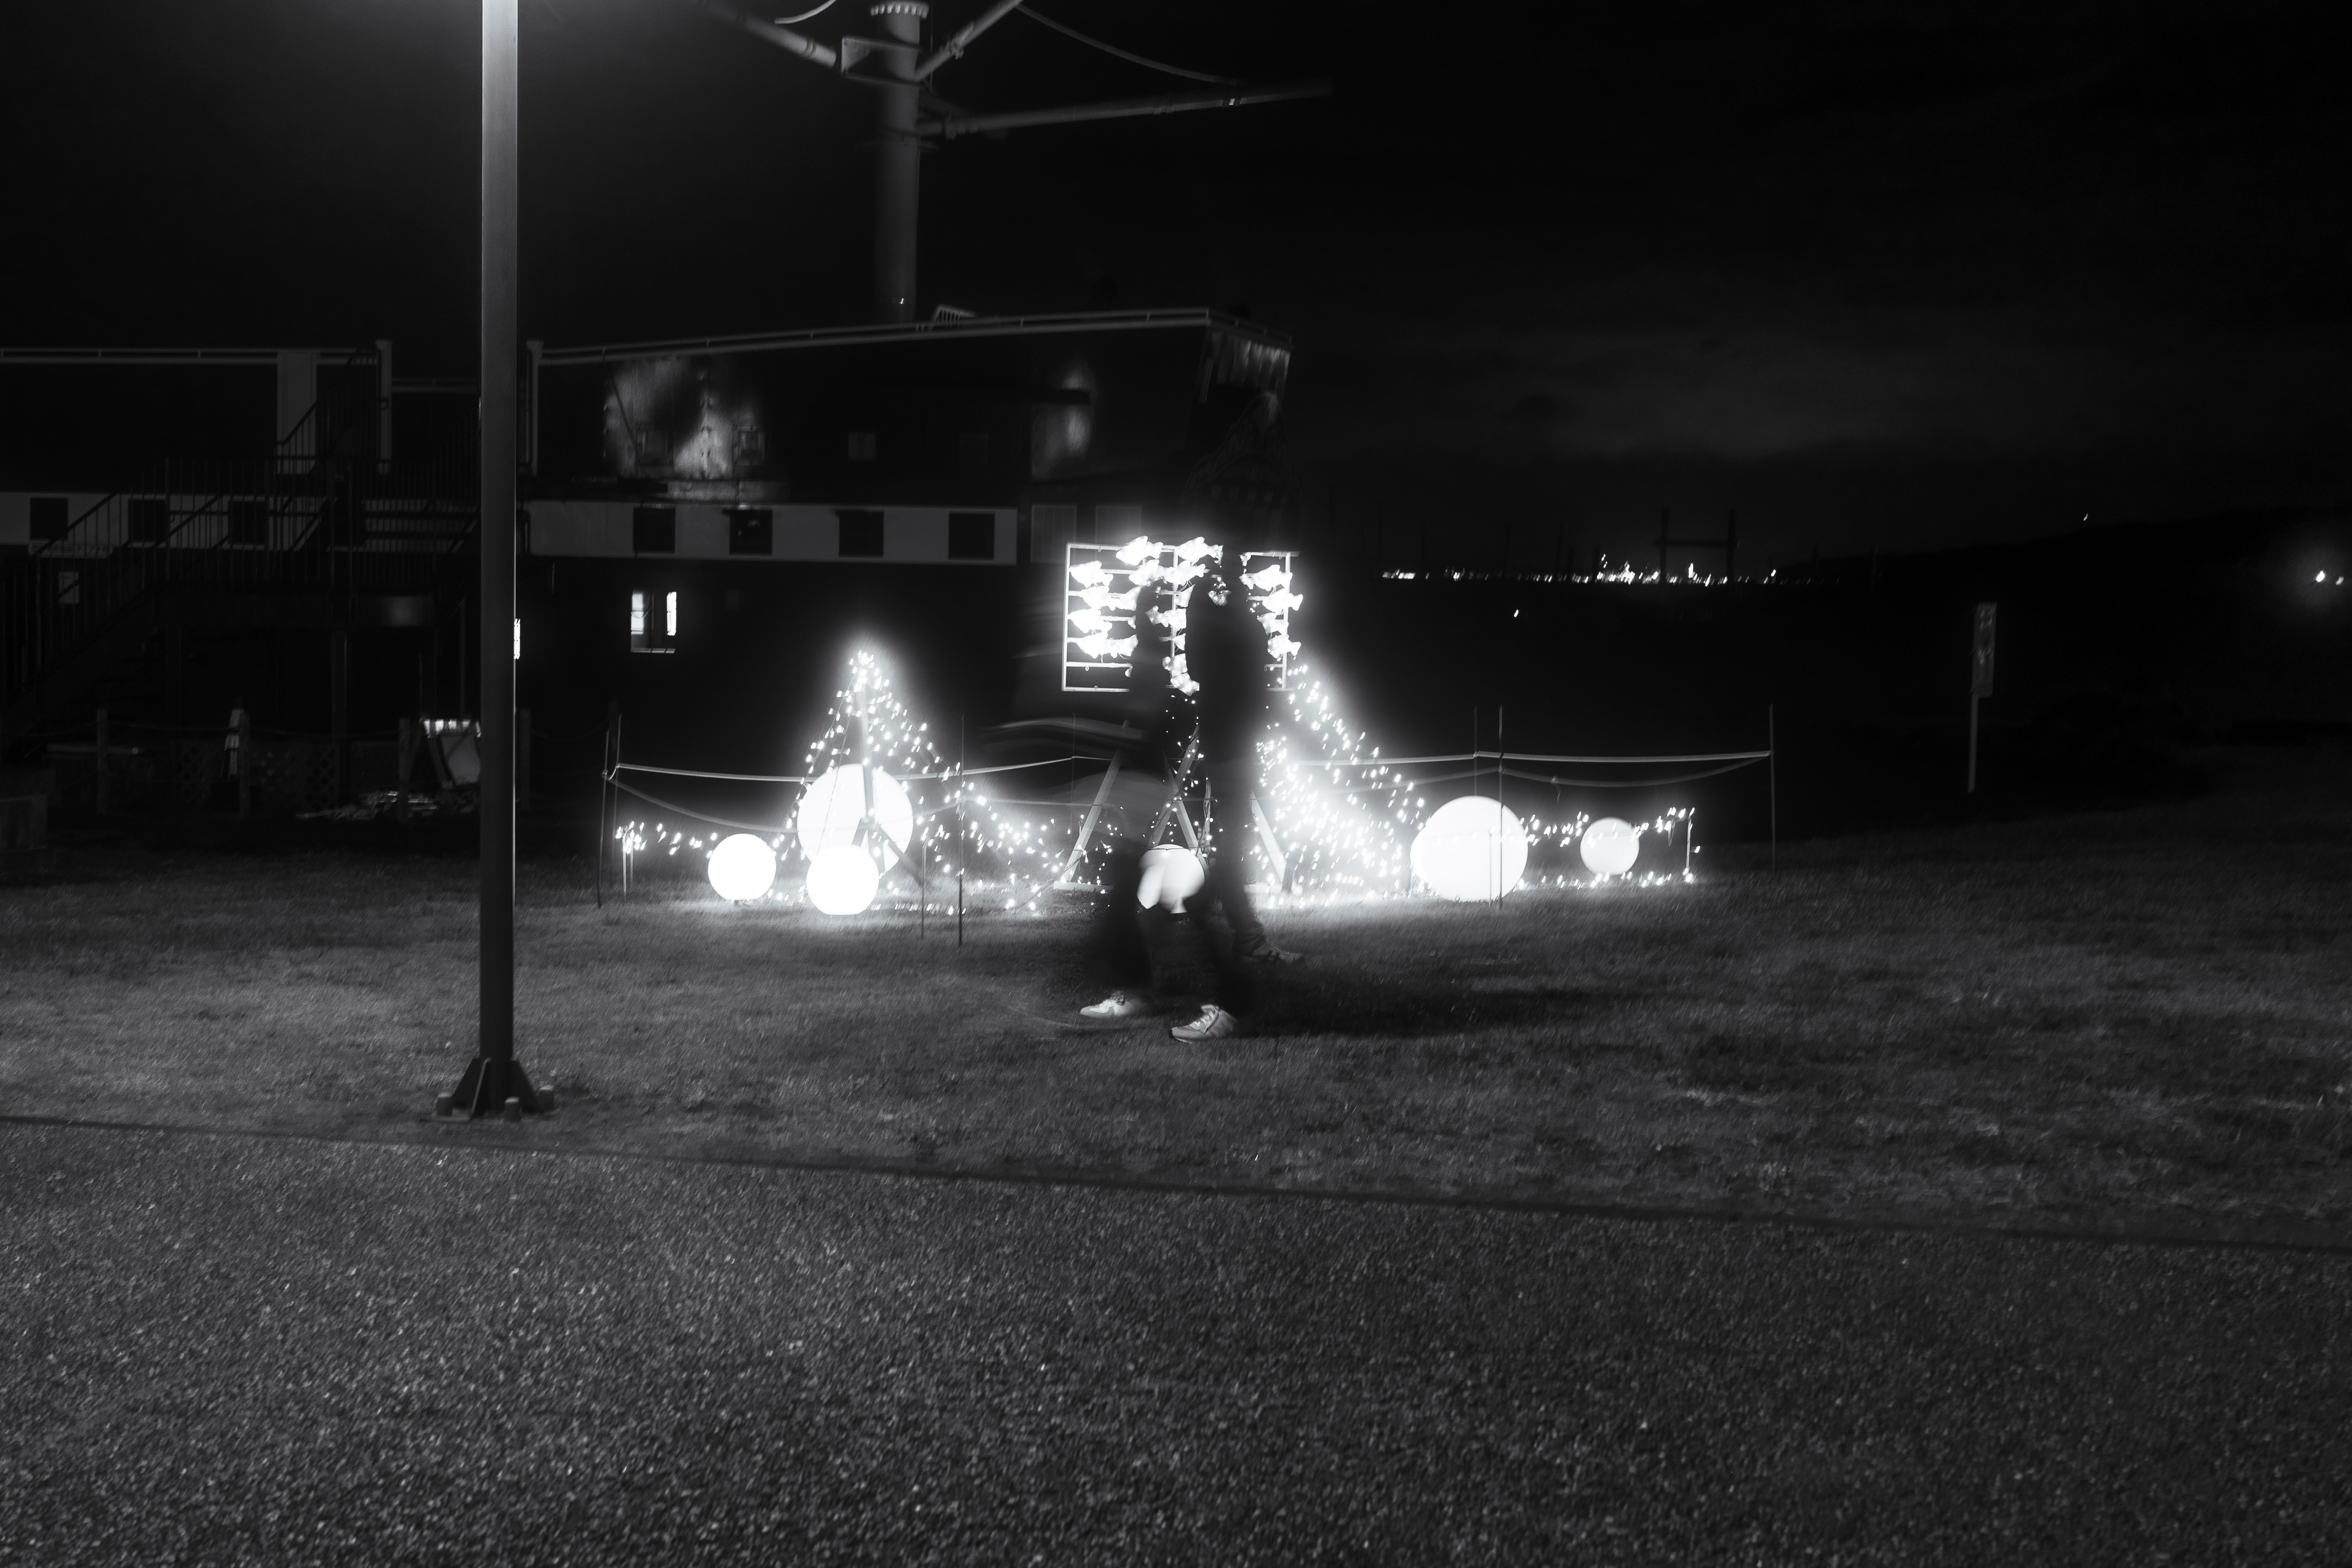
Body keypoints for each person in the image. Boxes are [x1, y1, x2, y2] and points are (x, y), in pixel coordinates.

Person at [1082, 547, 1299, 1041]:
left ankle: (1224, 994)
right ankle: (1198, 976)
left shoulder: (1234, 640)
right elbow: (1205, 657)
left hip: (1230, 753)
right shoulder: (1243, 637)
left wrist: (1202, 594)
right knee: (1203, 877)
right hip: (1230, 752)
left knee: (1210, 879)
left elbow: (1202, 658)